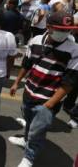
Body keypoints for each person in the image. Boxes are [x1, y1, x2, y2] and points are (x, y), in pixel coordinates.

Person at [9, 11, 78, 167]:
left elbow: (68, 83)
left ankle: (29, 158)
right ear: (49, 27)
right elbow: (26, 64)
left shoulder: (74, 50)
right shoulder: (36, 40)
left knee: (37, 132)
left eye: (68, 29)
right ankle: (25, 140)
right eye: (61, 29)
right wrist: (17, 83)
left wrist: (50, 104)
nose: (65, 33)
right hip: (29, 92)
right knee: (28, 121)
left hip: (47, 100)